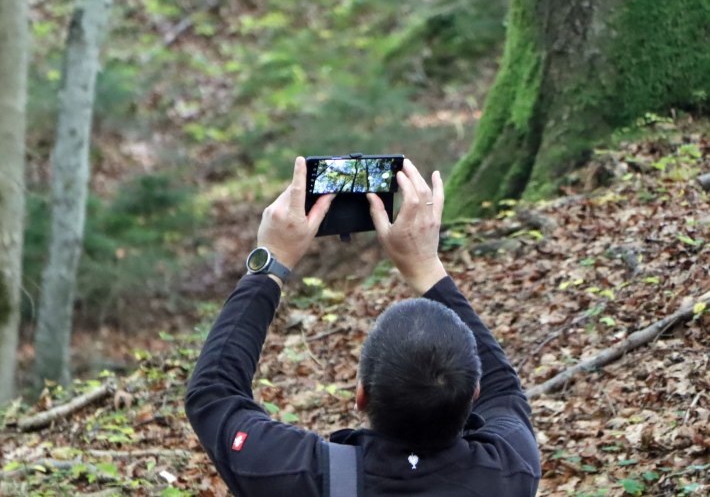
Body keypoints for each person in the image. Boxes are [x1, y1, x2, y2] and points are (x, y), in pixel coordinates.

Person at [185, 157, 541, 496]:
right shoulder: (510, 470)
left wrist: (271, 262)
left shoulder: (301, 477)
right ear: (473, 392)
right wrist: (426, 267)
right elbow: (505, 392)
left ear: (360, 395)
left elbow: (213, 392)